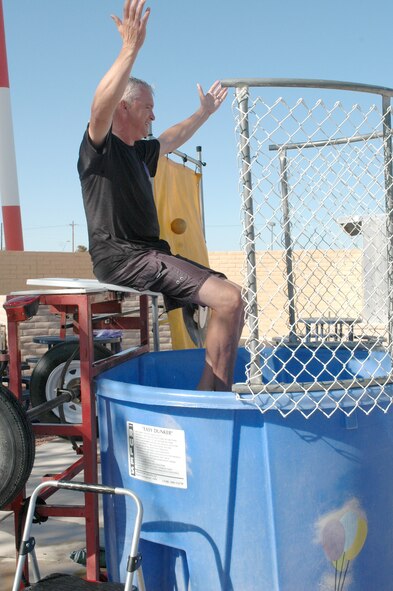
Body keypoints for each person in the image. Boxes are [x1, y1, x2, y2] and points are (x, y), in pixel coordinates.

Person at [78, 0, 244, 391]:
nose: (153, 116)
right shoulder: (99, 148)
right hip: (123, 258)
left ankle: (216, 386)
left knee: (232, 303)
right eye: (147, 108)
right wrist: (130, 49)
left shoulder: (139, 153)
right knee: (229, 299)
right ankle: (211, 395)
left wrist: (202, 114)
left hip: (152, 255)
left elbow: (171, 137)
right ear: (124, 108)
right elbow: (98, 106)